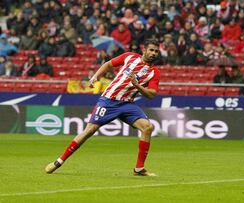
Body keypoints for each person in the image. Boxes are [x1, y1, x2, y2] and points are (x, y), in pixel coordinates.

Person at [45, 39, 161, 176]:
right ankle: (59, 161)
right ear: (144, 50)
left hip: (127, 104)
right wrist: (95, 77)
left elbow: (152, 94)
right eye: (151, 50)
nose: (153, 53)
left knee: (147, 127)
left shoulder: (154, 72)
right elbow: (108, 64)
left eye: (156, 51)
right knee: (89, 131)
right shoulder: (129, 57)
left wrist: (137, 85)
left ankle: (139, 168)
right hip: (109, 101)